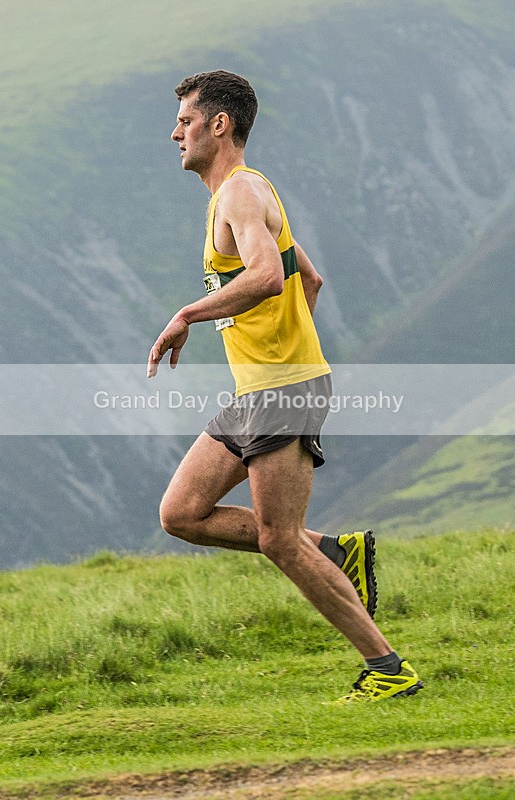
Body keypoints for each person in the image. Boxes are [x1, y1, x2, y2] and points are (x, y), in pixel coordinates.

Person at [147, 70, 423, 702]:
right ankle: (336, 551)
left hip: (281, 391)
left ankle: (388, 670)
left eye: (185, 121)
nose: (175, 134)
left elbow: (270, 275)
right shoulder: (236, 195)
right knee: (181, 514)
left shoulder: (241, 192)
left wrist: (189, 314)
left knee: (279, 539)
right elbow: (309, 278)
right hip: (262, 390)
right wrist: (283, 347)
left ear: (219, 124)